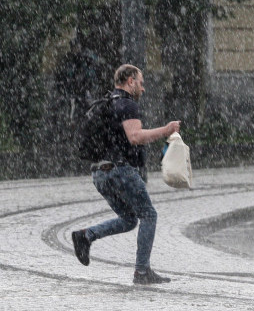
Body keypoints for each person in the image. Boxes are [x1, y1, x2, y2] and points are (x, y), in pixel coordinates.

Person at [71, 64, 180, 285]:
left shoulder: (108, 102)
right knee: (149, 215)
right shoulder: (127, 104)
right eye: (141, 83)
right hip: (120, 170)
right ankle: (142, 272)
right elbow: (135, 137)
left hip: (99, 173)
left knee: (130, 219)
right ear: (130, 81)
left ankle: (86, 235)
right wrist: (167, 130)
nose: (143, 89)